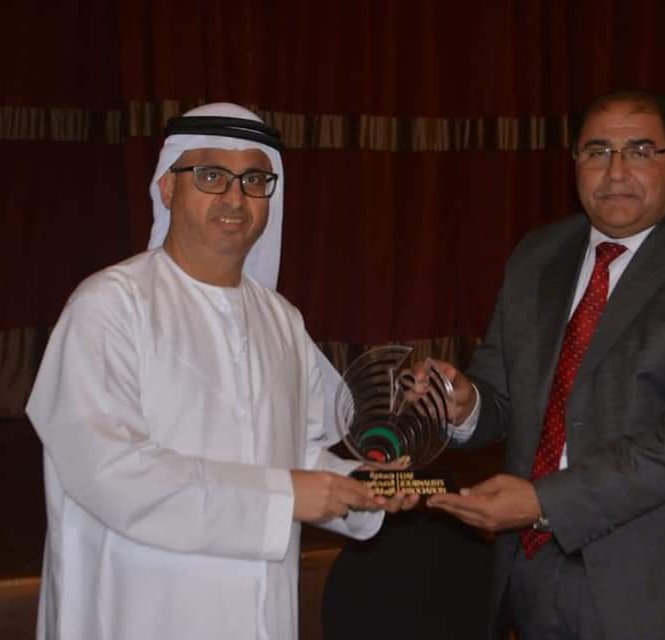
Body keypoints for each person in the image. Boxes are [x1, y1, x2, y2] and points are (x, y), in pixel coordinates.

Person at [420, 91, 665, 639]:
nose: (616, 171)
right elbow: (501, 390)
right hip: (537, 570)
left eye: (640, 151)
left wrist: (544, 501)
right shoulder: (538, 255)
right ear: (575, 163)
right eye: (597, 152)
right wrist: (464, 404)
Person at [26, 102, 416, 640]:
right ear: (168, 188)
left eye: (254, 180)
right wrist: (283, 499)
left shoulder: (281, 320)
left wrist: (361, 488)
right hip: (141, 610)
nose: (235, 198)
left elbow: (291, 455)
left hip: (261, 613)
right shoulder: (110, 306)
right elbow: (110, 472)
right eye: (211, 176)